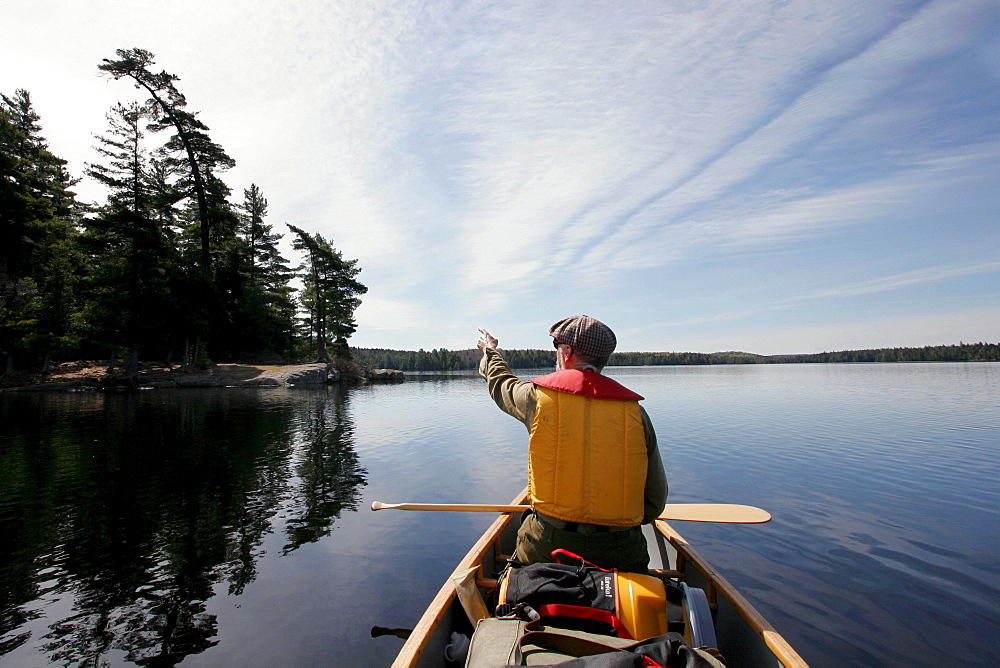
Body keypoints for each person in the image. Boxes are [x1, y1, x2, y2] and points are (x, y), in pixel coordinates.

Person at [477, 315, 668, 573]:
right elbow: (655, 501)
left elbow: (501, 384)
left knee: (517, 573)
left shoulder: (536, 398)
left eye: (557, 347)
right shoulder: (635, 413)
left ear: (567, 352)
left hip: (548, 546)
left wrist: (491, 352)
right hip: (621, 550)